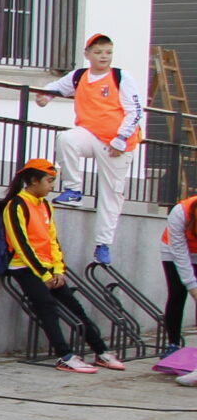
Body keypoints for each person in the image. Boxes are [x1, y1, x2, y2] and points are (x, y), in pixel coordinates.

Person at [0, 158, 120, 373]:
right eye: (49, 181)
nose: (52, 186)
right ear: (34, 180)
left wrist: (58, 269)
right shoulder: (16, 205)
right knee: (47, 307)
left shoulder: (45, 205)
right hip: (25, 267)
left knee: (76, 308)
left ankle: (101, 352)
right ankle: (65, 356)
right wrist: (44, 275)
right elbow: (21, 244)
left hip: (49, 269)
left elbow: (52, 239)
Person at [33, 34, 146, 263]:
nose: (104, 57)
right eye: (98, 52)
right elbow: (57, 87)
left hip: (117, 143)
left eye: (108, 52)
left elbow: (135, 111)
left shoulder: (120, 77)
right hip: (91, 133)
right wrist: (45, 96)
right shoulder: (79, 76)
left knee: (110, 194)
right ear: (87, 54)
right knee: (66, 139)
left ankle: (103, 243)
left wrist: (121, 139)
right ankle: (73, 189)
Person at [164, 191, 194, 351]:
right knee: (177, 293)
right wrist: (192, 286)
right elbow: (180, 254)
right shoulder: (180, 212)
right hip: (173, 251)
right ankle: (173, 345)